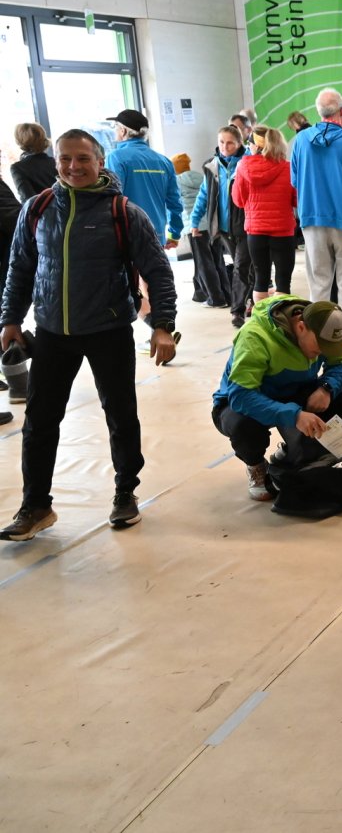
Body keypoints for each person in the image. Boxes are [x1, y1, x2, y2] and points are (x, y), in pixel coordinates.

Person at [1, 129, 177, 541]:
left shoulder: (123, 212)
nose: (73, 166)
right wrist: (10, 318)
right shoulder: (38, 208)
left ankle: (125, 492)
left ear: (100, 162)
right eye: (65, 158)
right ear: (56, 161)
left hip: (108, 331)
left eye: (82, 158)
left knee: (120, 416)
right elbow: (20, 267)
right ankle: (36, 505)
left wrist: (163, 326)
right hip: (52, 333)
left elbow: (158, 271)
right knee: (39, 422)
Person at [212, 297, 342, 500]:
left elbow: (340, 363)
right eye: (319, 346)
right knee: (243, 426)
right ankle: (256, 465)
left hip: (295, 392)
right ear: (301, 327)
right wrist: (294, 415)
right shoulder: (255, 337)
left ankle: (297, 449)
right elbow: (241, 396)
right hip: (247, 401)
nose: (322, 352)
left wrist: (326, 389)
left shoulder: (327, 327)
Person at [290, 88, 342, 357]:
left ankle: (318, 338)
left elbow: (295, 180)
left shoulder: (301, 140)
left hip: (312, 218)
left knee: (319, 281)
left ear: (319, 112)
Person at [232, 126, 298, 306]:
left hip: (256, 231)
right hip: (283, 231)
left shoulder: (243, 167)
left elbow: (238, 200)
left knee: (260, 279)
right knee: (283, 281)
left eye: (250, 143)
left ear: (257, 146)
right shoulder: (288, 168)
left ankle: (261, 317)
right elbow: (295, 200)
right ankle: (279, 318)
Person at [189, 125, 248, 323]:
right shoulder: (212, 166)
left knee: (241, 266)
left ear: (239, 143)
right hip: (222, 228)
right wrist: (195, 221)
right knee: (243, 267)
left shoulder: (247, 162)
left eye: (230, 143)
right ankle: (247, 302)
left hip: (245, 225)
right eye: (221, 142)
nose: (225, 146)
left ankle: (237, 310)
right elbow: (204, 195)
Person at [107, 109, 183, 249]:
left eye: (115, 127)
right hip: (157, 235)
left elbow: (112, 198)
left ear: (123, 131)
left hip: (128, 236)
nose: (114, 131)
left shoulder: (116, 157)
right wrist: (174, 233)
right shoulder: (164, 161)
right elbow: (174, 202)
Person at [10, 123, 57, 201]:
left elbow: (27, 199)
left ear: (19, 141)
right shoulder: (56, 162)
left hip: (39, 208)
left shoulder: (18, 168)